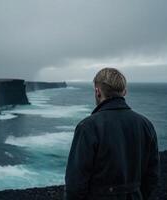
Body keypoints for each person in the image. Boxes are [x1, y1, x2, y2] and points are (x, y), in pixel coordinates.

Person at [65, 68, 160, 200]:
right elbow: (152, 175)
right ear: (124, 92)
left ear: (97, 92)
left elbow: (75, 184)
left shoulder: (88, 127)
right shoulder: (146, 124)